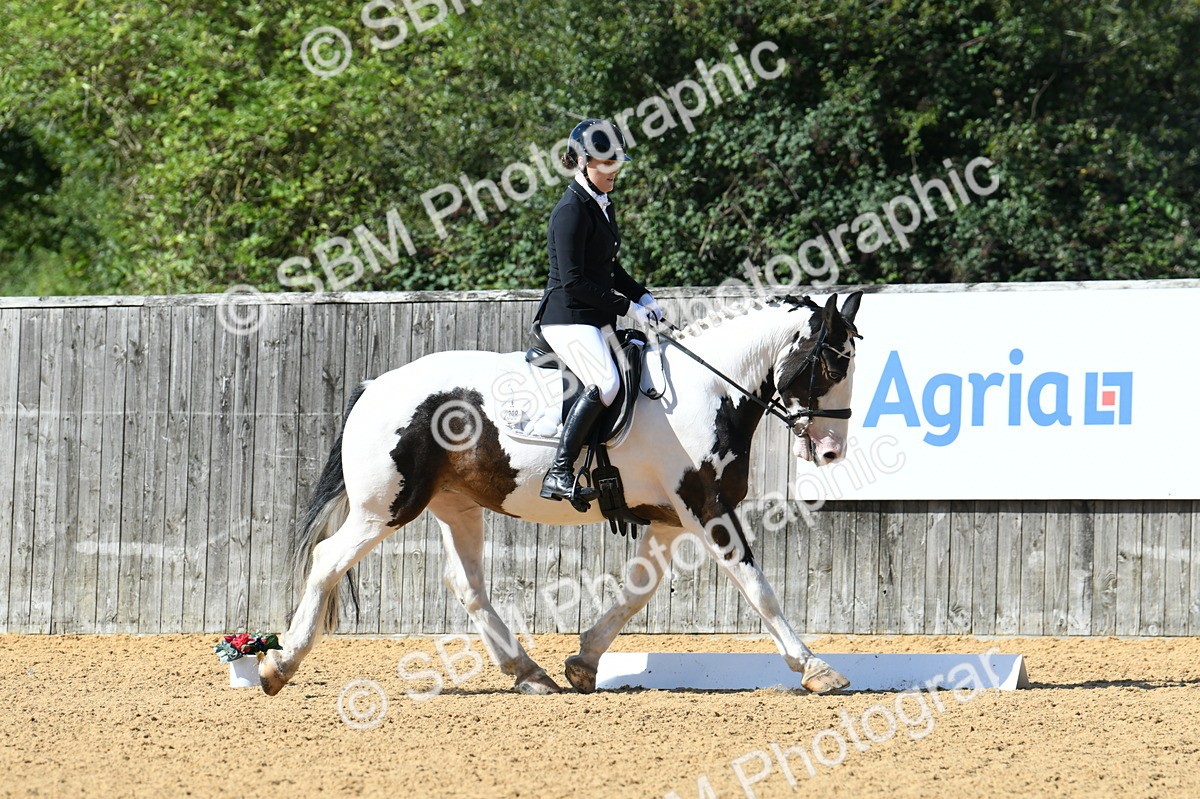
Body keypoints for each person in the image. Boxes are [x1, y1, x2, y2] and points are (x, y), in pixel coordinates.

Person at [535, 119, 665, 503]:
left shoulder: (601, 205)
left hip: (592, 317)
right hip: (567, 317)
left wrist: (642, 297)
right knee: (606, 383)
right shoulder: (571, 211)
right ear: (581, 162)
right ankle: (559, 472)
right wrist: (626, 307)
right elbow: (574, 281)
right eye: (603, 163)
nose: (612, 170)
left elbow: (608, 269)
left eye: (616, 162)